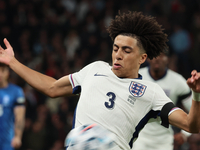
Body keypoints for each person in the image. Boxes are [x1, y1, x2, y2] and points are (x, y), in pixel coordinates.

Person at [0, 11, 200, 150]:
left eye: (126, 50)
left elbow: (191, 126)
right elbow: (52, 87)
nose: (118, 55)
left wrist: (197, 94)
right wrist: (13, 62)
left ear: (142, 58)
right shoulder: (95, 69)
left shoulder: (151, 92)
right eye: (115, 48)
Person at [132, 52, 192, 150]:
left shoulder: (177, 81)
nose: (157, 59)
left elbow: (194, 110)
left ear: (168, 59)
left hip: (165, 140)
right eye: (154, 55)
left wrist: (185, 134)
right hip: (140, 137)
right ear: (147, 58)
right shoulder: (136, 76)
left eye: (162, 55)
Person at [0, 63, 26, 150]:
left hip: (7, 141)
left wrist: (18, 136)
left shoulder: (16, 92)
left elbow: (20, 117)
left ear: (8, 73)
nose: (0, 74)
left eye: (3, 70)